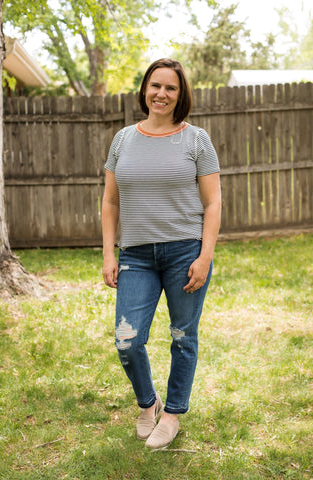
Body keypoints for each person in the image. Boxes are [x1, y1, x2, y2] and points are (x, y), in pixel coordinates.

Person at [101, 58, 221, 449]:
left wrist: (204, 256)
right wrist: (108, 253)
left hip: (185, 252)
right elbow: (110, 202)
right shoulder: (123, 139)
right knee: (127, 340)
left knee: (183, 336)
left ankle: (172, 414)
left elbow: (214, 202)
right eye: (156, 85)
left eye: (170, 87)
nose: (161, 94)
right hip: (135, 254)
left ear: (181, 93)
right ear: (144, 89)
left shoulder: (196, 139)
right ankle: (148, 402)